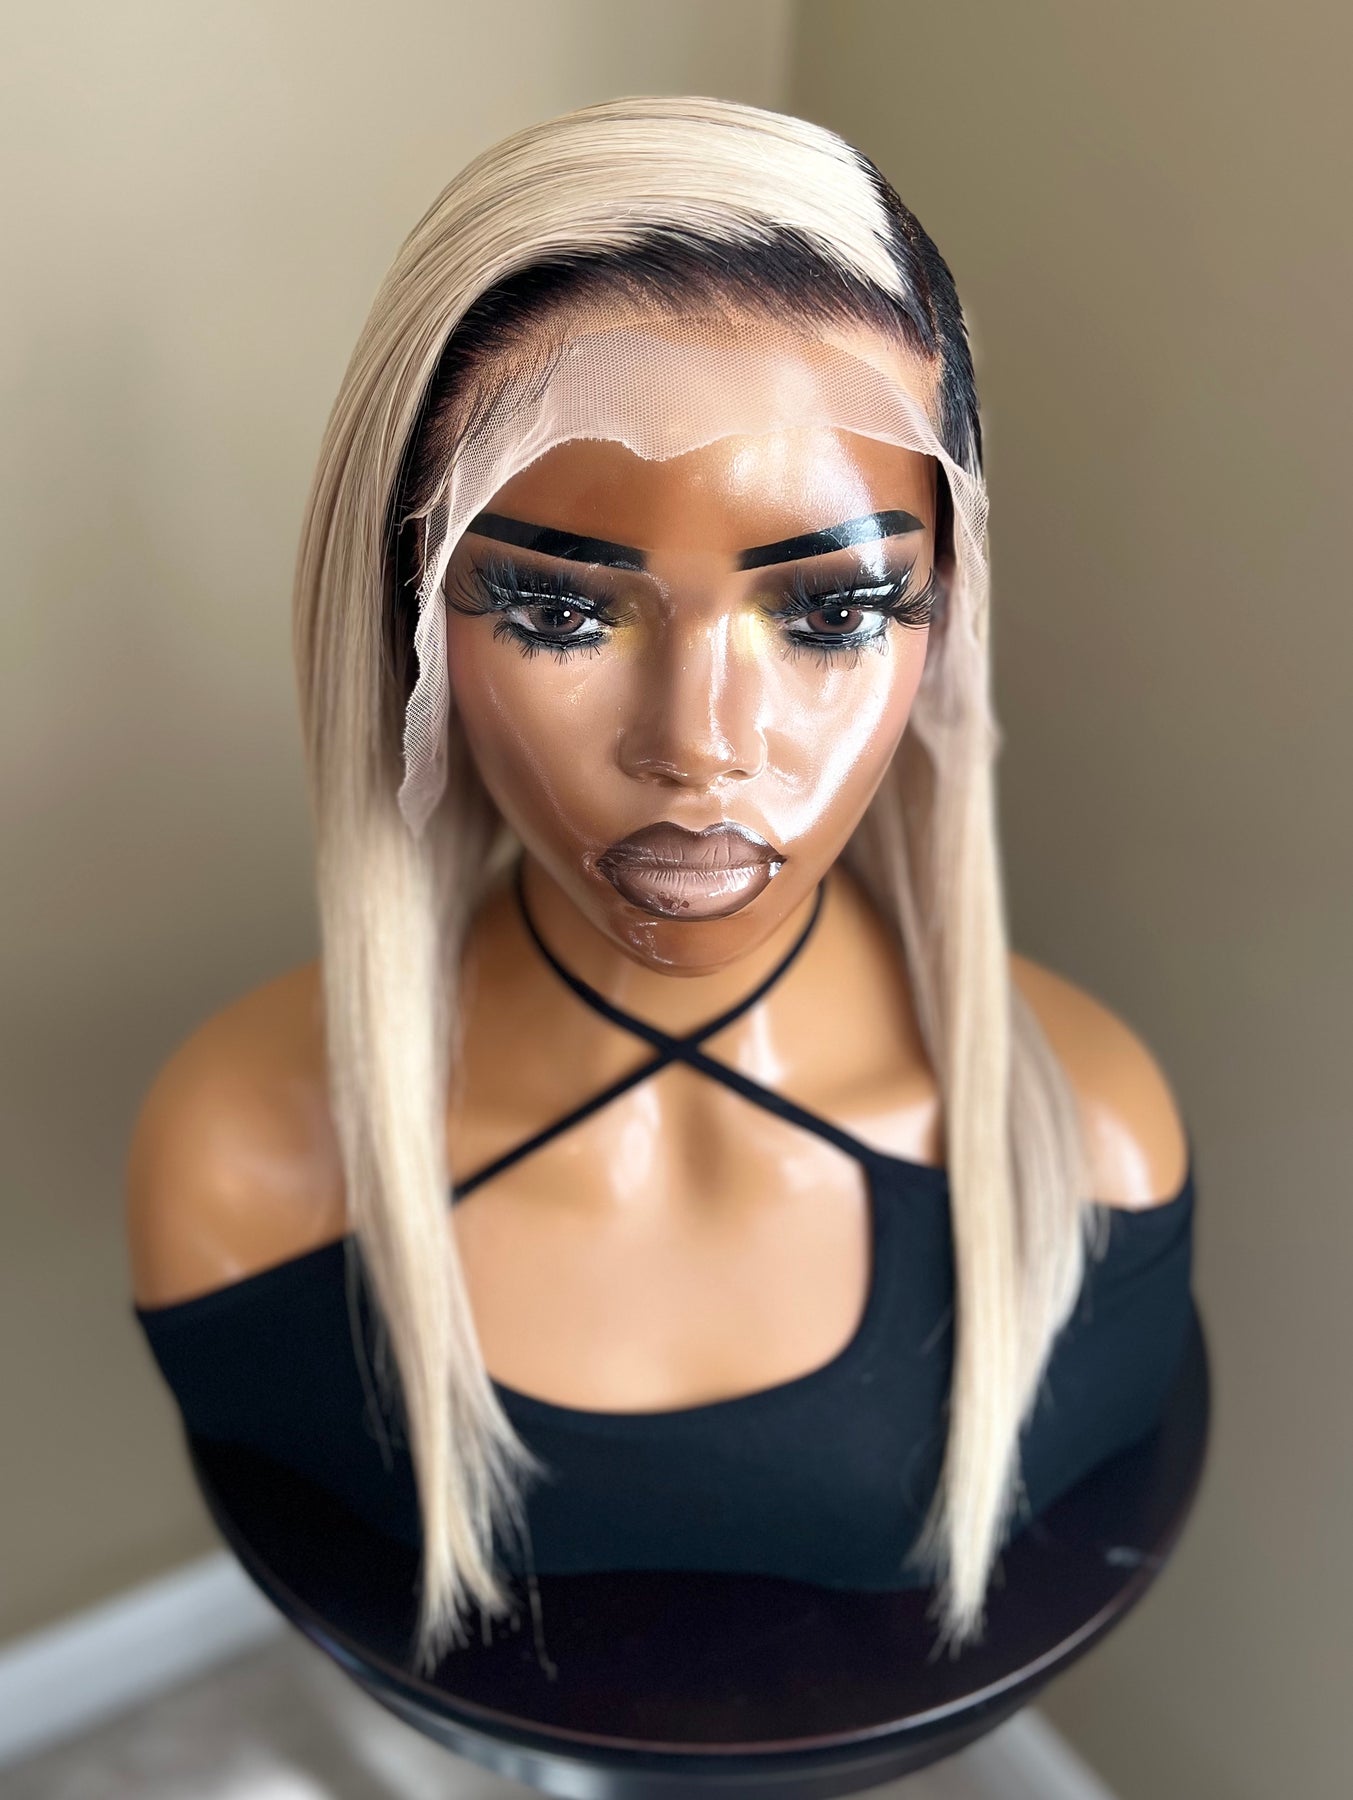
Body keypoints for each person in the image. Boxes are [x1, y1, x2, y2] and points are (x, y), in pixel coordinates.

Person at [126, 96, 1196, 1677]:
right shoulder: (243, 1171)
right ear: (405, 615)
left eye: (833, 611)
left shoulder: (1093, 1149)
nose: (699, 749)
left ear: (945, 618)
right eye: (559, 612)